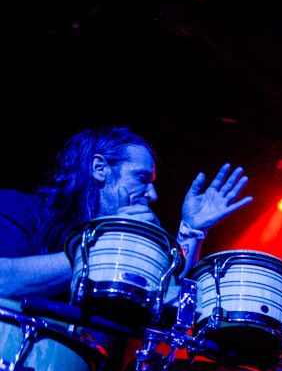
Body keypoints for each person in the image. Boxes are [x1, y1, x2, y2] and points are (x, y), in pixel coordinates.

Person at [0, 126, 252, 298]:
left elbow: (169, 298)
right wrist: (106, 245)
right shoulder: (18, 207)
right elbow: (4, 280)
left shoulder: (128, 246)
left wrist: (191, 230)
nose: (152, 195)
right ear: (100, 168)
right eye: (142, 178)